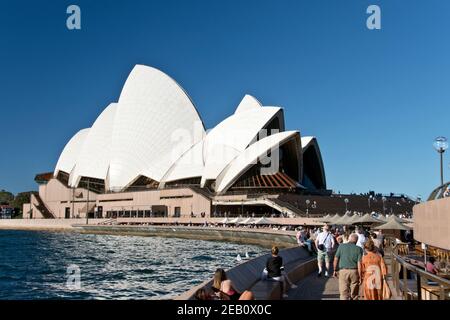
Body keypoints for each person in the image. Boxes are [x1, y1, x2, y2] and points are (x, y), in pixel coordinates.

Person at [333, 233, 363, 300]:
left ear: (349, 239)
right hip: (354, 272)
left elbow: (336, 259)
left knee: (344, 294)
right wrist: (360, 276)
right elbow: (359, 263)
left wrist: (335, 270)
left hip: (343, 271)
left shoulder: (341, 246)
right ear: (357, 241)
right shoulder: (359, 249)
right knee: (354, 295)